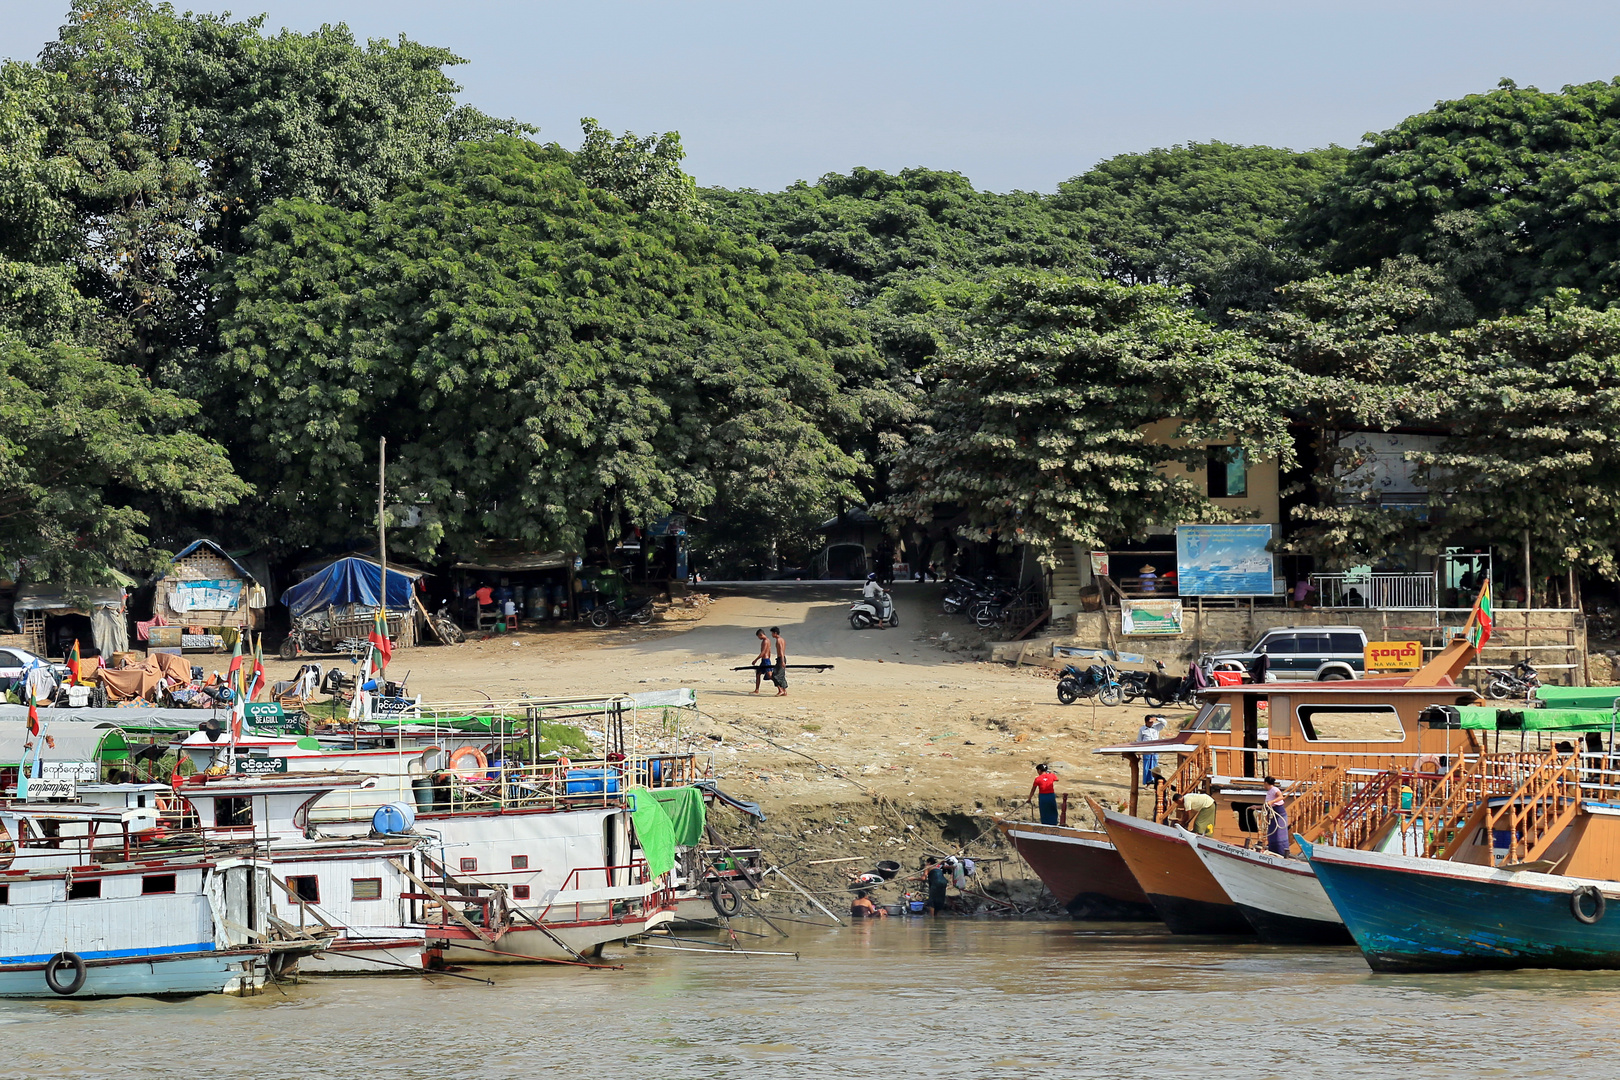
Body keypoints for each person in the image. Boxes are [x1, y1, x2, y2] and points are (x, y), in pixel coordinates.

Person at [1263, 775, 1289, 856]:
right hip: (1272, 813)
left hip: (1278, 813)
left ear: (1266, 783)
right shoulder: (1270, 791)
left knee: (1278, 834)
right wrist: (1256, 807)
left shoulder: (1274, 789)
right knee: (1272, 833)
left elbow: (1281, 797)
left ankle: (1280, 852)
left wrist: (1272, 802)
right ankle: (1273, 851)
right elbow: (1267, 804)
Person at [1136, 715, 1167, 782]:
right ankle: (1147, 782)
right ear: (1146, 722)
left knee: (1155, 766)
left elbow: (1164, 722)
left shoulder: (1156, 727)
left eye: (1152, 722)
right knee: (1146, 766)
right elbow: (1139, 741)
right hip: (1146, 750)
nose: (1151, 723)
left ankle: (1154, 781)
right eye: (1150, 722)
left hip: (1155, 750)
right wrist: (1139, 752)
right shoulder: (1142, 729)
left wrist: (1157, 719)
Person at [750, 629, 773, 695]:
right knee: (758, 674)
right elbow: (769, 651)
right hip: (765, 660)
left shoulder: (765, 641)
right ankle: (756, 690)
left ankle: (781, 688)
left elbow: (763, 652)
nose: (758, 638)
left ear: (760, 635)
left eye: (758, 637)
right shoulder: (768, 640)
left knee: (770, 676)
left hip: (765, 660)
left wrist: (755, 660)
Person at [770, 626, 788, 697]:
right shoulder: (782, 639)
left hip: (781, 658)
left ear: (775, 633)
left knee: (775, 675)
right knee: (781, 675)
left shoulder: (778, 640)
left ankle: (780, 690)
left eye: (772, 633)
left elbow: (781, 651)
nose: (771, 635)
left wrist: (782, 661)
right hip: (782, 658)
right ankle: (784, 691)